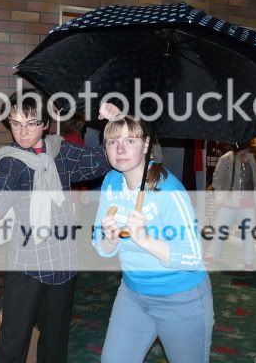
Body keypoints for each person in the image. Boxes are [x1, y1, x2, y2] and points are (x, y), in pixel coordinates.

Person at [0, 91, 120, 363]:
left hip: (61, 258)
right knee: (13, 340)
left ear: (46, 124)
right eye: (16, 123)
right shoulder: (12, 159)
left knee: (55, 340)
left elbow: (101, 160)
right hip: (26, 264)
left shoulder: (61, 151)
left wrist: (115, 124)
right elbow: (1, 186)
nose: (22, 132)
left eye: (31, 123)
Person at [93, 115, 214, 363]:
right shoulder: (111, 182)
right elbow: (100, 242)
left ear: (146, 145)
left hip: (181, 299)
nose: (120, 149)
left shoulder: (168, 189)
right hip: (132, 295)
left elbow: (192, 257)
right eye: (113, 142)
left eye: (130, 140)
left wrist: (145, 239)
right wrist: (110, 240)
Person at [205, 140, 256, 271]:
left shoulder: (251, 159)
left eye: (247, 150)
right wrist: (219, 198)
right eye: (243, 150)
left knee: (248, 232)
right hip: (228, 201)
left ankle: (248, 261)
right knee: (220, 229)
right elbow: (217, 179)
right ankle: (212, 254)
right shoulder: (226, 158)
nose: (245, 153)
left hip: (247, 202)